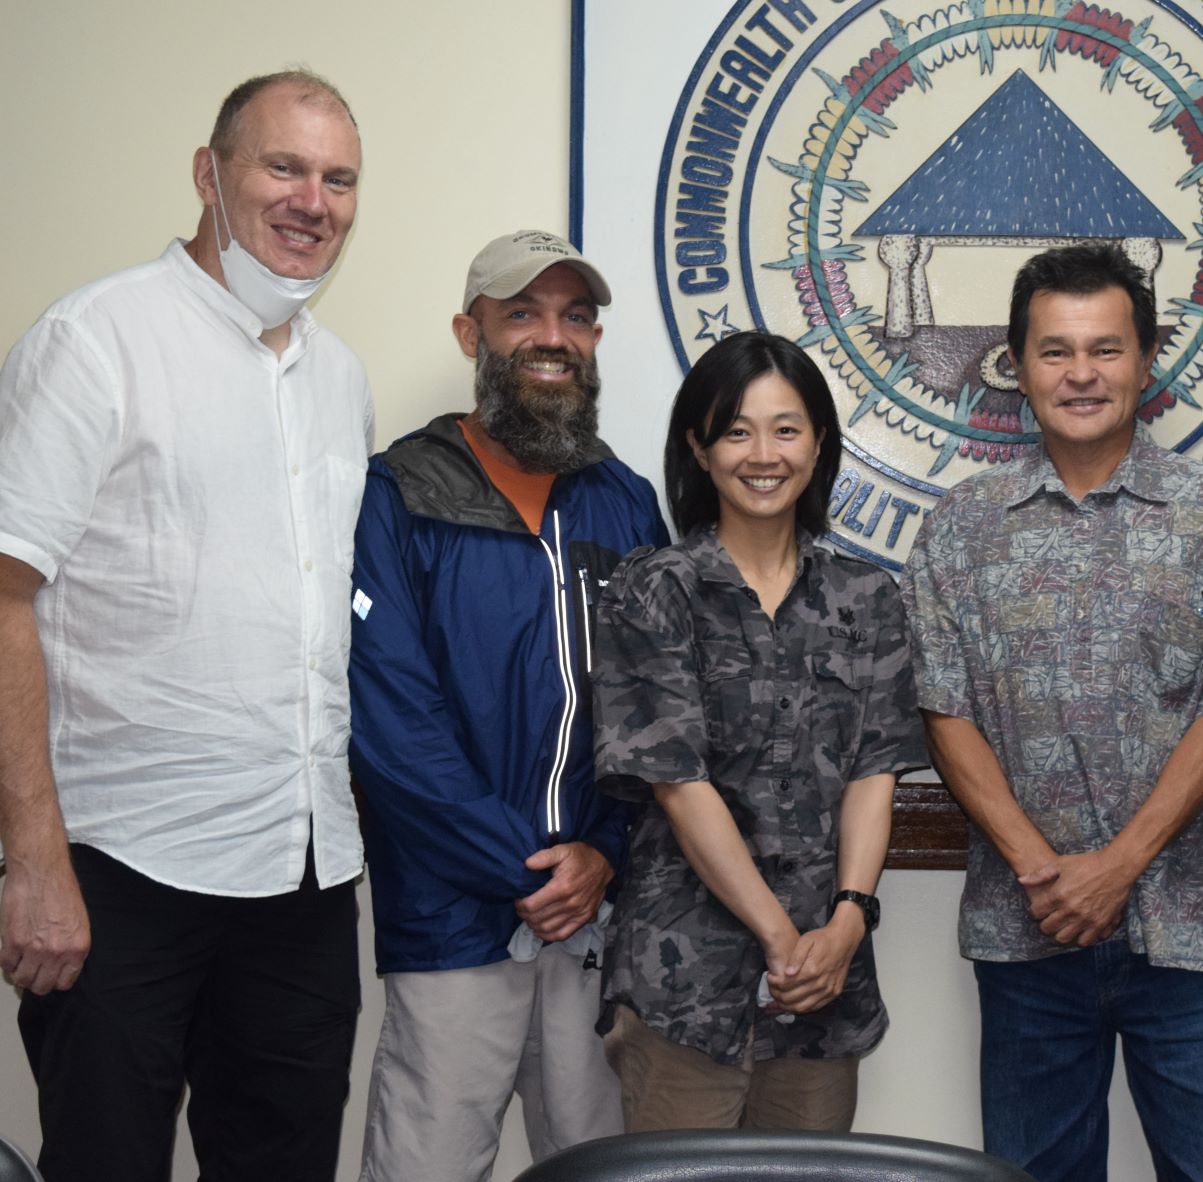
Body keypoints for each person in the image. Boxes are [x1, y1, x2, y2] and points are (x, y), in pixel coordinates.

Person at [0, 71, 370, 1180]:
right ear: (209, 175)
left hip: (302, 867)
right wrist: (32, 862)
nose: (314, 199)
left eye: (340, 178)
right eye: (284, 167)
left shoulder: (336, 375)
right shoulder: (96, 339)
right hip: (122, 868)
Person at [901, 243, 1203, 1182]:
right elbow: (944, 709)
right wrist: (1041, 870)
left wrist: (1117, 867)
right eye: (1053, 351)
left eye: (1104, 349)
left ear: (1145, 360)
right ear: (1014, 364)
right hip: (1027, 928)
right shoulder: (960, 529)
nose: (1080, 373)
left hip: (1190, 933)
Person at [348, 229, 668, 1179]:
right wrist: (524, 868)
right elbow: (391, 721)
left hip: (593, 916)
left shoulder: (625, 503)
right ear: (470, 333)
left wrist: (602, 853)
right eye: (522, 312)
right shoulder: (400, 491)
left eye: (575, 315)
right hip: (454, 916)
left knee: (600, 1162)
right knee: (430, 1163)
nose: (552, 335)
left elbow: (653, 709)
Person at [592, 330, 924, 1131]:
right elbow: (676, 781)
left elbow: (873, 775)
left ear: (819, 444)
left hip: (822, 988)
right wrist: (781, 937)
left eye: (785, 428)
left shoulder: (866, 598)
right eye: (736, 430)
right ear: (698, 449)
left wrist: (845, 922)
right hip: (684, 987)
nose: (762, 453)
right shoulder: (653, 589)